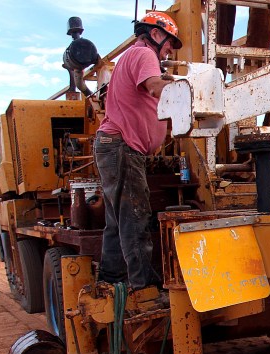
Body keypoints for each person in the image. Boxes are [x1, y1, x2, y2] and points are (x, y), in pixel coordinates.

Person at [94, 11, 181, 291]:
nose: (169, 49)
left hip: (113, 146)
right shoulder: (145, 55)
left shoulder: (130, 56)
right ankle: (144, 289)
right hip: (122, 146)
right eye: (169, 42)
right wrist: (187, 87)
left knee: (117, 221)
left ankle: (112, 282)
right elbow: (155, 88)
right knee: (135, 216)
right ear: (156, 34)